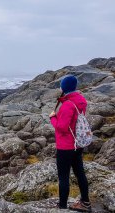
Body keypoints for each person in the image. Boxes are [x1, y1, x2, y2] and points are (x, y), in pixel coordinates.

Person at [49, 75, 91, 212]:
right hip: (78, 144)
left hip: (66, 146)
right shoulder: (81, 100)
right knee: (80, 173)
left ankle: (62, 206)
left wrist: (53, 118)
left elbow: (62, 128)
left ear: (64, 87)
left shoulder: (68, 105)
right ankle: (85, 202)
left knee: (63, 177)